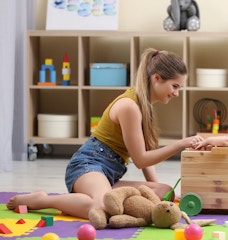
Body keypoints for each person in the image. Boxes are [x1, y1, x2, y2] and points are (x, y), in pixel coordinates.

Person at [6, 48, 204, 219]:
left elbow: (146, 162)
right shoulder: (130, 106)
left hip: (109, 174)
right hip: (88, 166)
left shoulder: (145, 107)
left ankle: (98, 197)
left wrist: (158, 194)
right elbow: (141, 159)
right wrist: (180, 144)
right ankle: (42, 200)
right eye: (175, 86)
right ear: (157, 78)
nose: (176, 93)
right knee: (102, 208)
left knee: (165, 192)